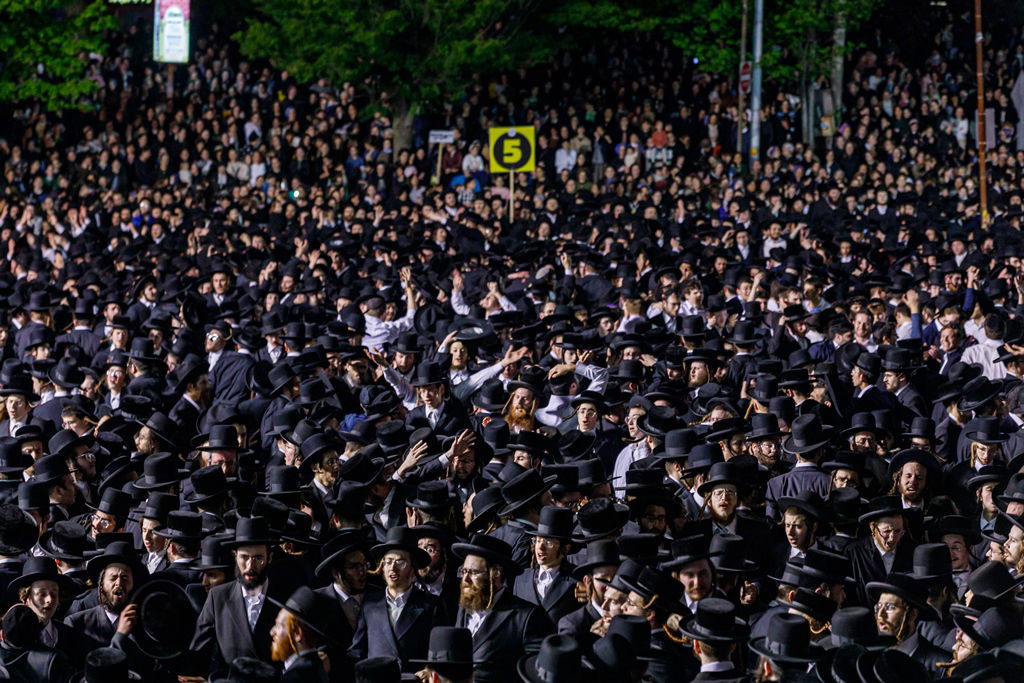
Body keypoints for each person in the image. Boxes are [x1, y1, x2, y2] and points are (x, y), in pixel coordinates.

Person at [451, 534, 553, 683]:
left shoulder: (527, 617)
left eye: (473, 572)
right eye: (464, 571)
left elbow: (539, 674)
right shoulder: (463, 609)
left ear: (496, 573)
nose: (465, 579)